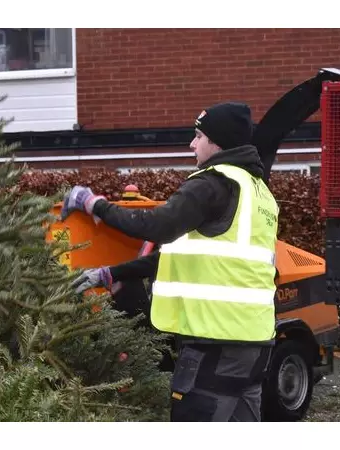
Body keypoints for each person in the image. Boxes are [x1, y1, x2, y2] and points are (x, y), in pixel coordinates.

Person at [62, 102, 279, 422]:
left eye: (198, 136)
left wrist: (93, 203)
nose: (192, 144)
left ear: (216, 142)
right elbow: (184, 256)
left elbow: (155, 226)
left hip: (213, 345)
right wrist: (111, 274)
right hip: (255, 344)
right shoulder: (259, 192)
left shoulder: (212, 183)